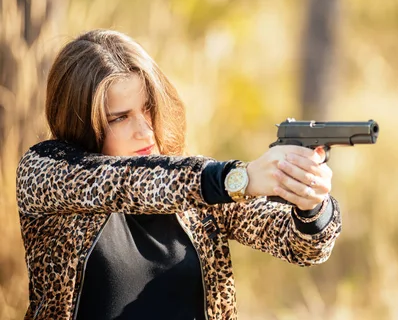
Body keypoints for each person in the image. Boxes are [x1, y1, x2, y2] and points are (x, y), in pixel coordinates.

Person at [16, 29, 342, 320]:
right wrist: (239, 179)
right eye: (120, 118)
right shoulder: (46, 171)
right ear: (82, 124)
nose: (144, 130)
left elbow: (300, 247)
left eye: (148, 108)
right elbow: (125, 182)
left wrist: (310, 203)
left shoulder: (193, 186)